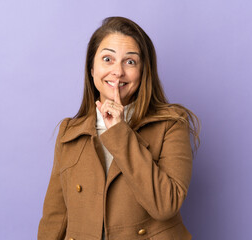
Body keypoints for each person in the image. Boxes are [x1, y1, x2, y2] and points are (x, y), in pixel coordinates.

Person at [38, 16, 200, 240]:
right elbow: (54, 218)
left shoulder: (172, 124)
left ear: (143, 72)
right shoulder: (69, 131)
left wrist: (119, 132)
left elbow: (165, 204)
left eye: (130, 62)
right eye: (107, 59)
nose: (118, 71)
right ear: (92, 69)